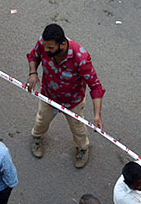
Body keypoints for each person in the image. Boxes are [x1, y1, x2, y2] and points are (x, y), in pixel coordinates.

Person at [26, 23, 105, 169]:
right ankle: (37, 138)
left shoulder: (80, 57)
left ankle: (82, 148)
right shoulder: (44, 43)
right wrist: (33, 73)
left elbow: (95, 87)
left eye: (50, 48)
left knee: (78, 129)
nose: (46, 50)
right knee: (41, 121)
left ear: (62, 44)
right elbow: (34, 56)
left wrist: (97, 115)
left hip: (73, 102)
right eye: (45, 47)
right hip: (48, 96)